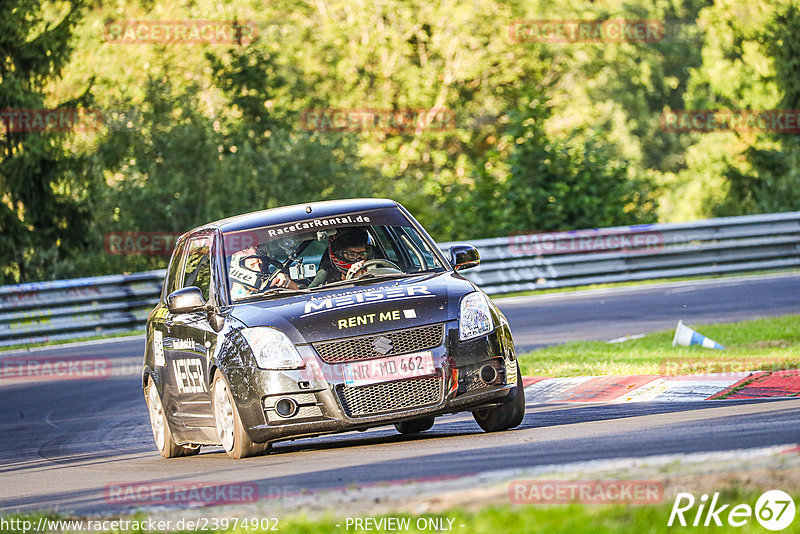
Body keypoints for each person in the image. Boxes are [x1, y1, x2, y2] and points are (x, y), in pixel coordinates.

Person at [308, 228, 374, 288]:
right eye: (351, 254)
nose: (358, 260)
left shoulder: (379, 269)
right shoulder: (327, 286)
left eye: (363, 254)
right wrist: (351, 281)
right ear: (338, 254)